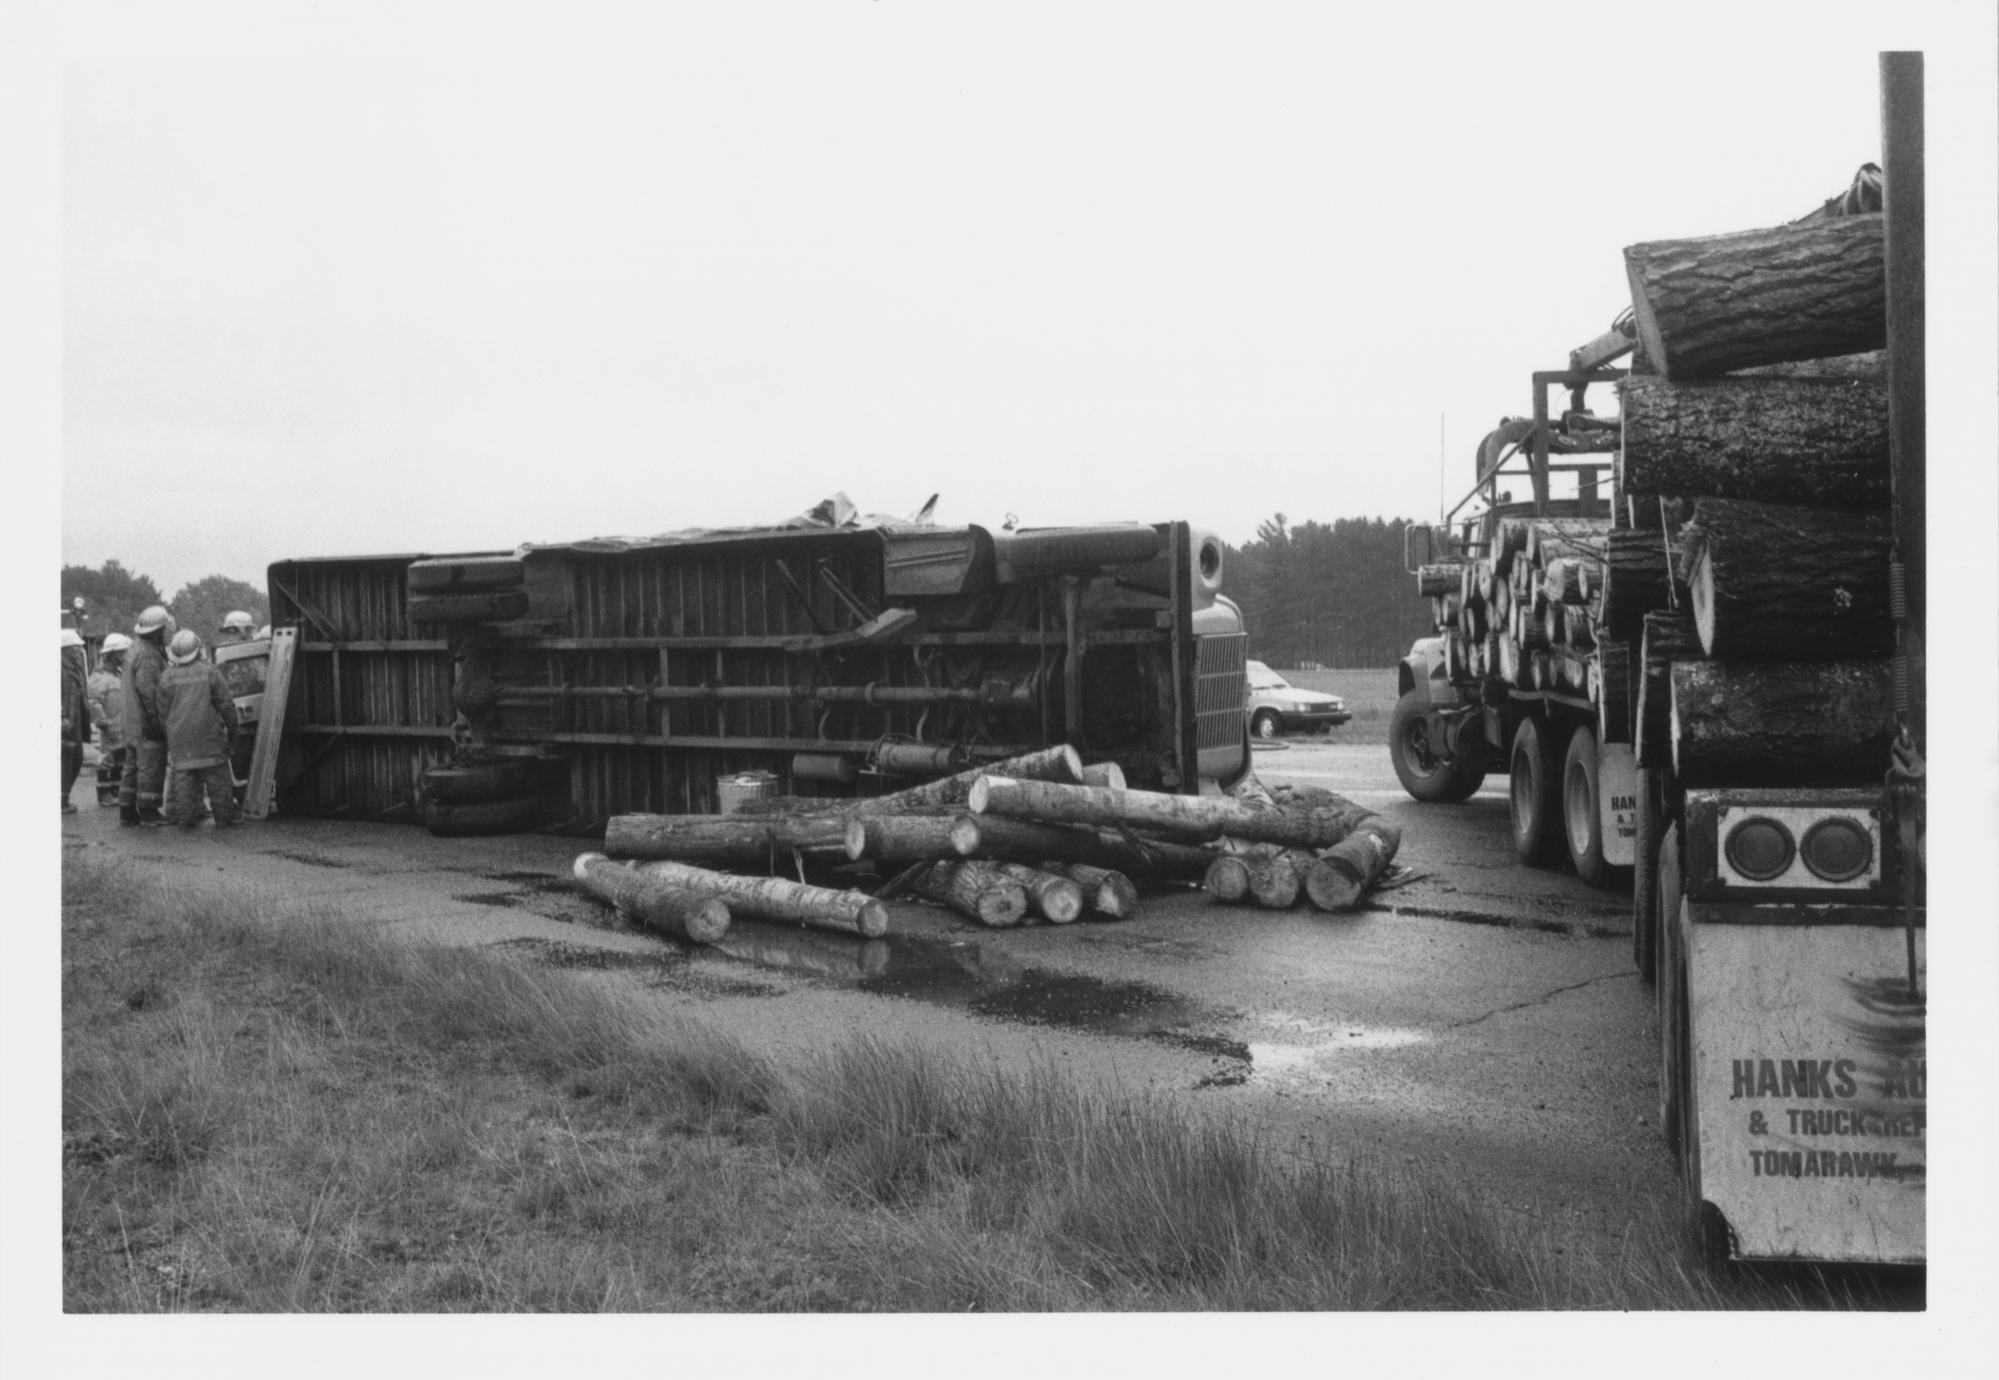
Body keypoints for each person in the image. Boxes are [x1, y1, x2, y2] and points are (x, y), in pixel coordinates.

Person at [156, 628, 241, 829]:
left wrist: (170, 737)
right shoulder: (210, 671)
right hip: (210, 739)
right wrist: (233, 732)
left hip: (180, 742)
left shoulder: (166, 677)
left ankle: (186, 820)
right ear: (198, 649)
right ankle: (224, 818)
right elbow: (226, 705)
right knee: (218, 783)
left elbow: (162, 713)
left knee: (184, 784)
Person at [118, 605, 175, 827]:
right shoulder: (149, 654)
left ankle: (127, 812)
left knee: (132, 767)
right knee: (151, 767)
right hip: (146, 723)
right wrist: (158, 721)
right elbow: (150, 692)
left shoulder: (134, 648)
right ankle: (149, 813)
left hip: (132, 721)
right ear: (159, 630)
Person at [88, 632, 131, 806]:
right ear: (113, 655)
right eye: (122, 652)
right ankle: (104, 794)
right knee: (107, 760)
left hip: (121, 726)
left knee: (120, 760)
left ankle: (115, 791)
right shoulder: (99, 677)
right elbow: (93, 701)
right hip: (109, 726)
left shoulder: (117, 675)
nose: (125, 655)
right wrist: (102, 720)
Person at [61, 627, 89, 814]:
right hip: (66, 723)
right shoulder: (59, 668)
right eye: (75, 647)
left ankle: (63, 797)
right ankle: (61, 800)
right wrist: (62, 716)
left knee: (76, 758)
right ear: (65, 649)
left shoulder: (73, 668)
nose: (79, 650)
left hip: (74, 723)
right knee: (66, 760)